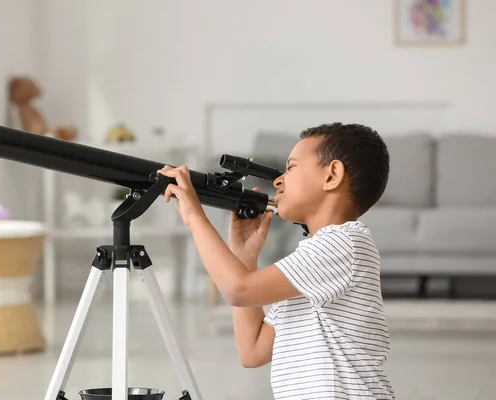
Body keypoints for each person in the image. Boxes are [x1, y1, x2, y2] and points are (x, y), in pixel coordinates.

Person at [157, 122, 395, 399]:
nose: (279, 181)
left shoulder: (345, 242)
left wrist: (194, 216)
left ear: (332, 175)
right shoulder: (310, 269)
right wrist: (245, 256)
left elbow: (238, 289)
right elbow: (253, 351)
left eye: (291, 168)